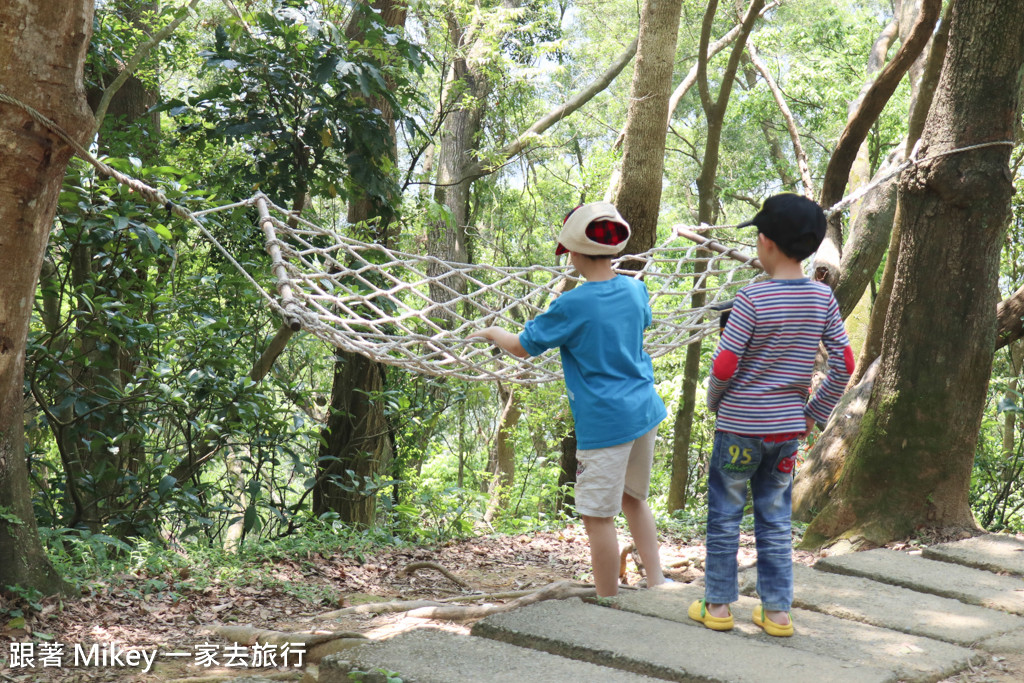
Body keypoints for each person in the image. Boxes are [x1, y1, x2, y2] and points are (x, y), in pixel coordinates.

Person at [469, 202, 669, 597]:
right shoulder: (635, 288)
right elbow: (640, 322)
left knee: (597, 517)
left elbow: (523, 347)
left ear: (574, 253)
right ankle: (658, 580)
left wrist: (492, 332)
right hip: (645, 410)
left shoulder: (571, 305)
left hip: (605, 422)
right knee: (634, 500)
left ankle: (608, 599)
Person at [689, 193, 854, 636]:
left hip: (739, 428)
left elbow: (725, 364)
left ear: (765, 243)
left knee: (725, 514)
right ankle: (777, 612)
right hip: (786, 431)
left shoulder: (750, 299)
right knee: (775, 516)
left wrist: (715, 400)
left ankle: (719, 608)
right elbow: (845, 363)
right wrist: (812, 413)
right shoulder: (822, 299)